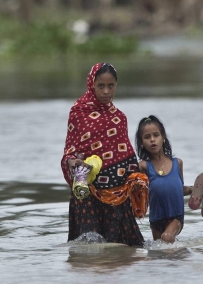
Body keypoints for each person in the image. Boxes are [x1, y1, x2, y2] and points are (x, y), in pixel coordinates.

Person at [61, 63, 147, 247]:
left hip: (116, 195)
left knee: (121, 250)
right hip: (87, 194)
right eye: (101, 86)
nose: (106, 91)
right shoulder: (78, 112)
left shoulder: (119, 117)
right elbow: (70, 150)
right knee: (89, 248)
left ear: (116, 85)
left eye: (111, 86)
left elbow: (125, 155)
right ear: (92, 85)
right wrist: (73, 162)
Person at [135, 115, 203, 243]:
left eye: (156, 135)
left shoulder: (177, 163)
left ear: (163, 137)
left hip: (175, 216)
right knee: (159, 253)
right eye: (147, 137)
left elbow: (177, 189)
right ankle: (180, 258)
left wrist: (192, 190)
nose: (152, 140)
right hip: (155, 218)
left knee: (167, 237)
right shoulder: (143, 166)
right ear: (141, 142)